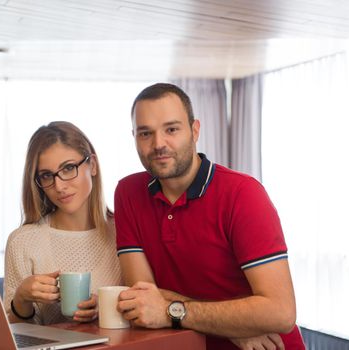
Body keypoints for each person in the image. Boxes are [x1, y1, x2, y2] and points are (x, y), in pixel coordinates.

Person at [114, 83, 305, 349]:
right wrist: (233, 327)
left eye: (171, 129)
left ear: (195, 130)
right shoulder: (128, 192)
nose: (158, 144)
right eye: (145, 133)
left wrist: (173, 311)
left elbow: (281, 313)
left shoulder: (243, 194)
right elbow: (144, 297)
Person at [4, 121, 122, 325]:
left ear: (92, 165)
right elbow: (16, 337)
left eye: (68, 168)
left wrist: (106, 307)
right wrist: (21, 299)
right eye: (47, 175)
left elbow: (147, 305)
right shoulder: (22, 242)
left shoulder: (125, 232)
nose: (59, 186)